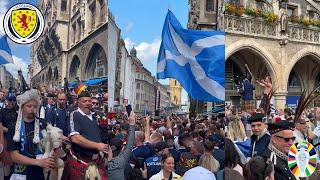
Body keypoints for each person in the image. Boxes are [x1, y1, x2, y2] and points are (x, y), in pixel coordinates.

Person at [6, 89, 57, 179]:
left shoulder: (43, 124)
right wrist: (38, 162)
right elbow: (14, 156)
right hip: (21, 173)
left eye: (35, 106)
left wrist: (55, 151)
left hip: (41, 173)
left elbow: (52, 145)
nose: (32, 109)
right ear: (22, 107)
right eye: (29, 106)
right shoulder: (14, 127)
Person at [62, 90, 109, 179]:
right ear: (78, 103)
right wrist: (97, 145)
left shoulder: (96, 116)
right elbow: (75, 138)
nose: (87, 103)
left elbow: (101, 137)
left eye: (89, 101)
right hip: (80, 161)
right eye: (84, 101)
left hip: (97, 162)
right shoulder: (75, 114)